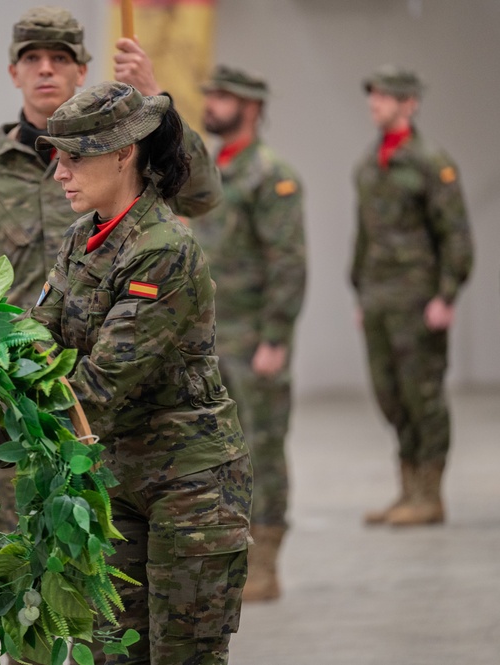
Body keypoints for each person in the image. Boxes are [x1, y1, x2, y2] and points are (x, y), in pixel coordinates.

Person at [0, 81, 251, 665]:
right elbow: (37, 338)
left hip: (190, 485)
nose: (59, 175)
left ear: (124, 152)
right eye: (57, 159)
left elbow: (101, 385)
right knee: (112, 653)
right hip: (114, 479)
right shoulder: (82, 237)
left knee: (183, 654)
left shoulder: (163, 247)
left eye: (74, 159)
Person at [0, 5, 222, 533]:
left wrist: (157, 102)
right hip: (29, 397)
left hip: (117, 405)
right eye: (33, 58)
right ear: (14, 72)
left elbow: (202, 193)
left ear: (80, 72)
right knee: (24, 557)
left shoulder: (136, 185)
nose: (46, 69)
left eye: (59, 58)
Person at [192, 65, 306, 602]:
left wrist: (276, 338)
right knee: (218, 452)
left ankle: (266, 566)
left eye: (223, 97)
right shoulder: (215, 172)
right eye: (210, 95)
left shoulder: (270, 174)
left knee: (261, 444)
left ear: (252, 107)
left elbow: (288, 261)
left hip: (254, 336)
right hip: (211, 336)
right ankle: (229, 560)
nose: (211, 104)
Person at [352, 65, 473, 527]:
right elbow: (364, 237)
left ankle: (430, 494)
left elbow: (455, 236)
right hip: (379, 297)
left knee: (424, 395)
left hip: (419, 300)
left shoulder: (430, 162)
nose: (375, 104)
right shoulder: (369, 164)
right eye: (374, 96)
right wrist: (360, 292)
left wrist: (447, 294)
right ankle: (407, 489)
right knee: (391, 395)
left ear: (409, 103)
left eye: (385, 96)